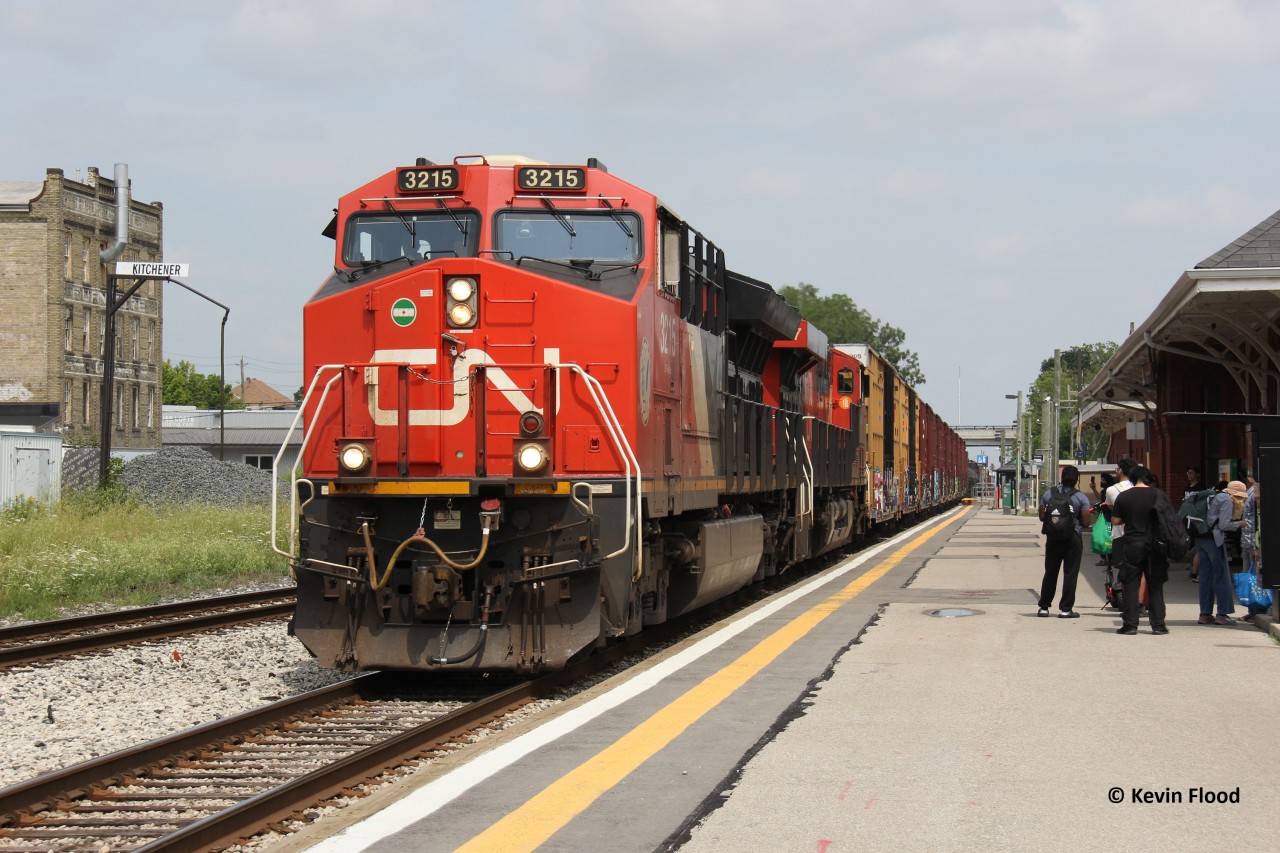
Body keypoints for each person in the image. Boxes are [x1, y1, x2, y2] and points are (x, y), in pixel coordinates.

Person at [1110, 465, 1168, 634]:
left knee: (1131, 583)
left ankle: (1130, 625)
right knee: (1155, 584)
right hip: (1155, 544)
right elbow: (1167, 518)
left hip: (1133, 543)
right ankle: (1158, 625)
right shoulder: (1159, 495)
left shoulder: (1124, 496)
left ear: (1132, 479)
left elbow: (1115, 520)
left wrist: (1127, 518)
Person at [1037, 464, 1094, 618]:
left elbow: (1042, 517)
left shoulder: (1049, 494)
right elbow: (1086, 522)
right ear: (1076, 479)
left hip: (1053, 538)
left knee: (1050, 571)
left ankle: (1044, 607)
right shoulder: (1080, 497)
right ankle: (1066, 609)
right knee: (1070, 573)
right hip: (1072, 538)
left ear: (1061, 478)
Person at [1197, 479, 1245, 625]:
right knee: (1222, 576)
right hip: (1214, 540)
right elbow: (1224, 525)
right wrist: (1240, 524)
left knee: (1205, 577)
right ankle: (1222, 614)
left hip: (1201, 538)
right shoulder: (1226, 500)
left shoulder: (1214, 496)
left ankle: (1204, 614)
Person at [1241, 479, 1265, 623]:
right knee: (1249, 578)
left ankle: (1257, 610)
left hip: (1251, 541)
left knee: (1254, 578)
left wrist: (1257, 545)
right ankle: (1252, 610)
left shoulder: (1254, 493)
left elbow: (1258, 520)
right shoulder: (1252, 492)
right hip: (1248, 540)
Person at [1184, 466, 1204, 580]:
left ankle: (1194, 568)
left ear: (1197, 474)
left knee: (1197, 544)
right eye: (1188, 473)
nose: (1189, 475)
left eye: (1191, 473)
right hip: (1188, 518)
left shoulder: (1201, 488)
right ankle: (1192, 564)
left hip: (1197, 518)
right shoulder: (1187, 488)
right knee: (1190, 542)